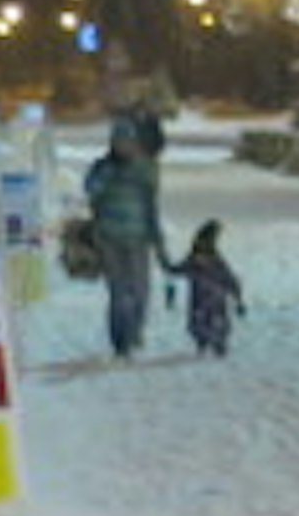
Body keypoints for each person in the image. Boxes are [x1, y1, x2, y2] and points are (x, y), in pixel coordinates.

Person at [83, 120, 178, 358]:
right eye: (118, 141)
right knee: (118, 290)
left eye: (126, 141)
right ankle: (120, 340)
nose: (122, 146)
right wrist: (107, 174)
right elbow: (90, 191)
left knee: (139, 290)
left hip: (138, 237)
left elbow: (151, 206)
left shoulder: (145, 169)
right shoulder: (102, 167)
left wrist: (158, 241)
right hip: (109, 238)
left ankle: (134, 332)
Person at [177, 218, 248, 357]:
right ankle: (213, 344)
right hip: (212, 298)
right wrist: (238, 298)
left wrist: (238, 298)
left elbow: (179, 269)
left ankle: (207, 343)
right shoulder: (213, 259)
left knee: (205, 321)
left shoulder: (200, 258)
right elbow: (230, 279)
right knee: (211, 321)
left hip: (205, 298)